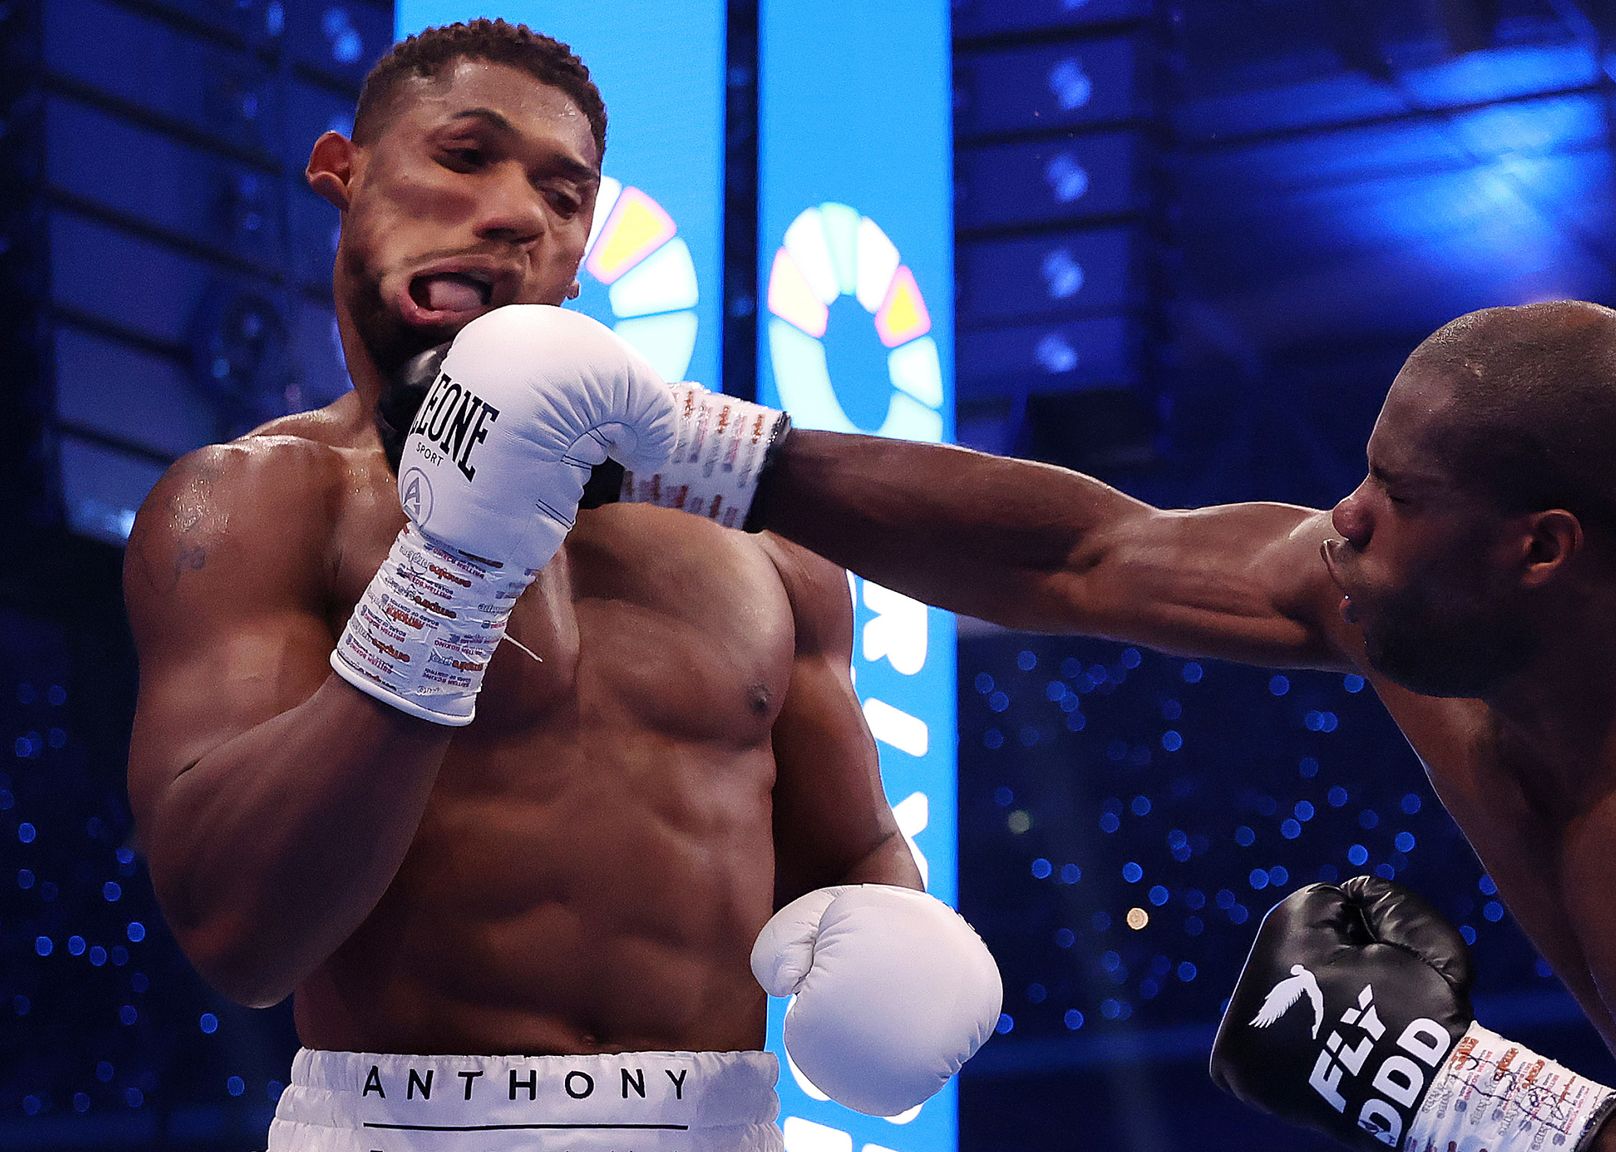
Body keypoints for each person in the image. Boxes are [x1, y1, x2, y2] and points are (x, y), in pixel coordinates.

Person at [716, 299, 1616, 1149]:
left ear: (1542, 548)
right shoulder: (1399, 606)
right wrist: (725, 458)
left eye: (1398, 492)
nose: (1342, 518)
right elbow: (1081, 557)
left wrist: (1454, 1091)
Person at [121, 20, 998, 1151]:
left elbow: (851, 851)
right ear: (344, 172)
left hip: (722, 1126)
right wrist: (444, 584)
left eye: (565, 193)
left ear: (581, 248)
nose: (515, 212)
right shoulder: (256, 506)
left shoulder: (752, 532)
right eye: (464, 155)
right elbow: (237, 932)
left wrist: (899, 932)